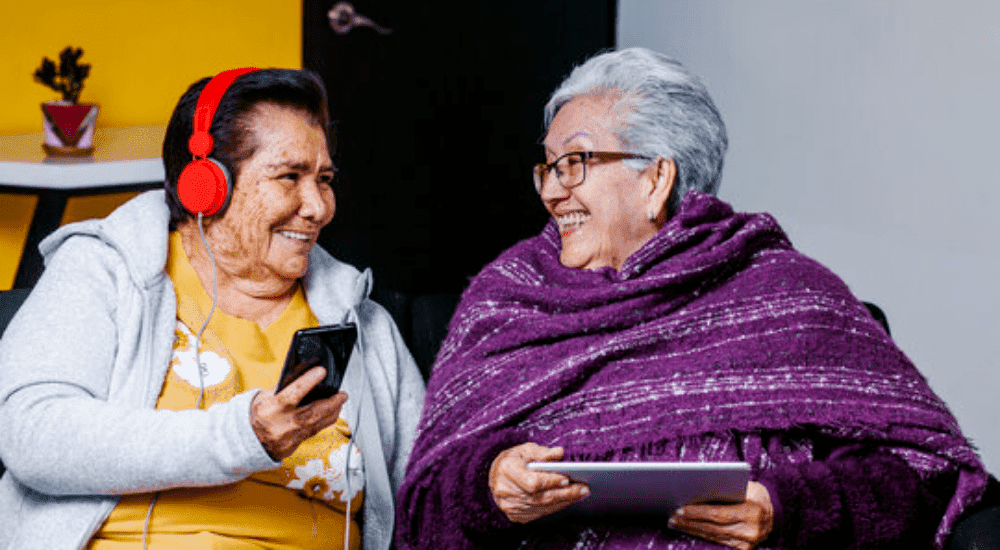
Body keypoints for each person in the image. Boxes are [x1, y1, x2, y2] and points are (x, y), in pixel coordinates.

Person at [396, 48, 990, 550]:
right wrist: (490, 487)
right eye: (547, 168)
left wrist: (786, 510)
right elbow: (424, 507)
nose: (553, 191)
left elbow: (920, 478)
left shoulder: (786, 295)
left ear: (656, 178)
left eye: (573, 163)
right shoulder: (506, 301)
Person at [0, 68, 425, 550]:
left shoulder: (359, 319)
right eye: (289, 176)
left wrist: (499, 475)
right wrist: (242, 436)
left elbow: (430, 482)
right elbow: (31, 434)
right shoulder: (107, 271)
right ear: (205, 184)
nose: (318, 207)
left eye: (324, 179)